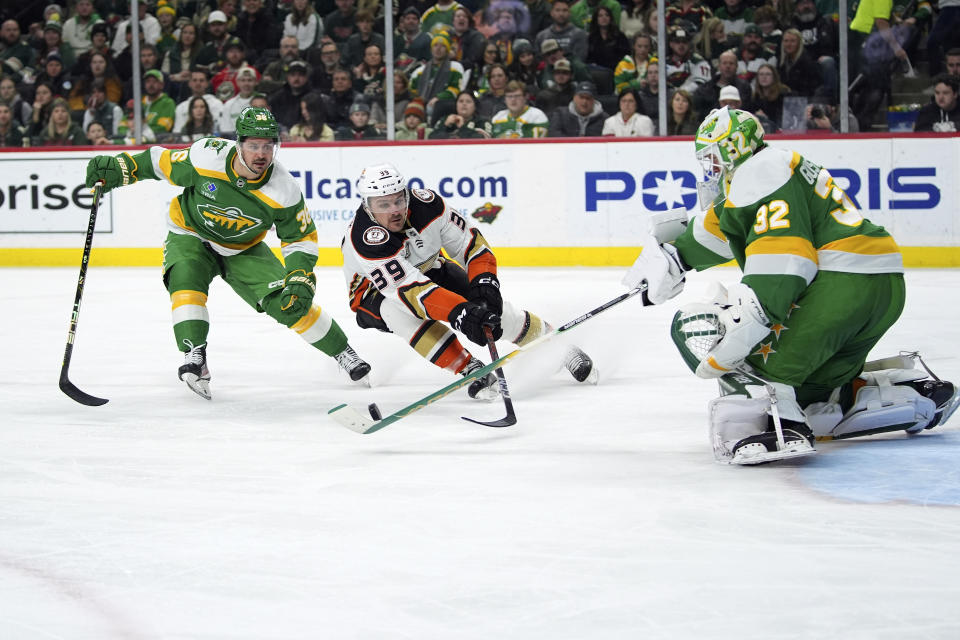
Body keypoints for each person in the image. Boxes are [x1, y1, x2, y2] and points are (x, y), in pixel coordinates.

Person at [622, 106, 959, 466]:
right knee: (812, 397)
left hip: (840, 289)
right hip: (880, 288)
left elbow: (785, 260)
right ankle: (901, 394)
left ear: (734, 148)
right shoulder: (770, 169)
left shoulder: (760, 171)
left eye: (713, 158)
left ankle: (777, 427)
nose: (710, 170)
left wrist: (746, 323)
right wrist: (674, 256)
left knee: (720, 342)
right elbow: (722, 227)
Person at [83, 107, 372, 400]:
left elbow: (300, 238)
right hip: (190, 233)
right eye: (253, 146)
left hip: (243, 248)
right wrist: (121, 168)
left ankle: (343, 352)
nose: (261, 154)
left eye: (268, 146)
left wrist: (300, 275)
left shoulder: (284, 189)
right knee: (185, 278)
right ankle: (195, 353)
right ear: (239, 144)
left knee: (289, 303)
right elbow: (158, 162)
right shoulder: (207, 157)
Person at [341, 163, 598, 403]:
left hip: (429, 267)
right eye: (383, 204)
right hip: (374, 293)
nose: (395, 210)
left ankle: (557, 346)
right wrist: (459, 313)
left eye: (398, 200)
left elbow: (471, 243)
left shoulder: (427, 205)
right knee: (397, 313)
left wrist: (485, 282)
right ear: (367, 205)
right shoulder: (365, 239)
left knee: (489, 308)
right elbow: (411, 291)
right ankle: (466, 367)